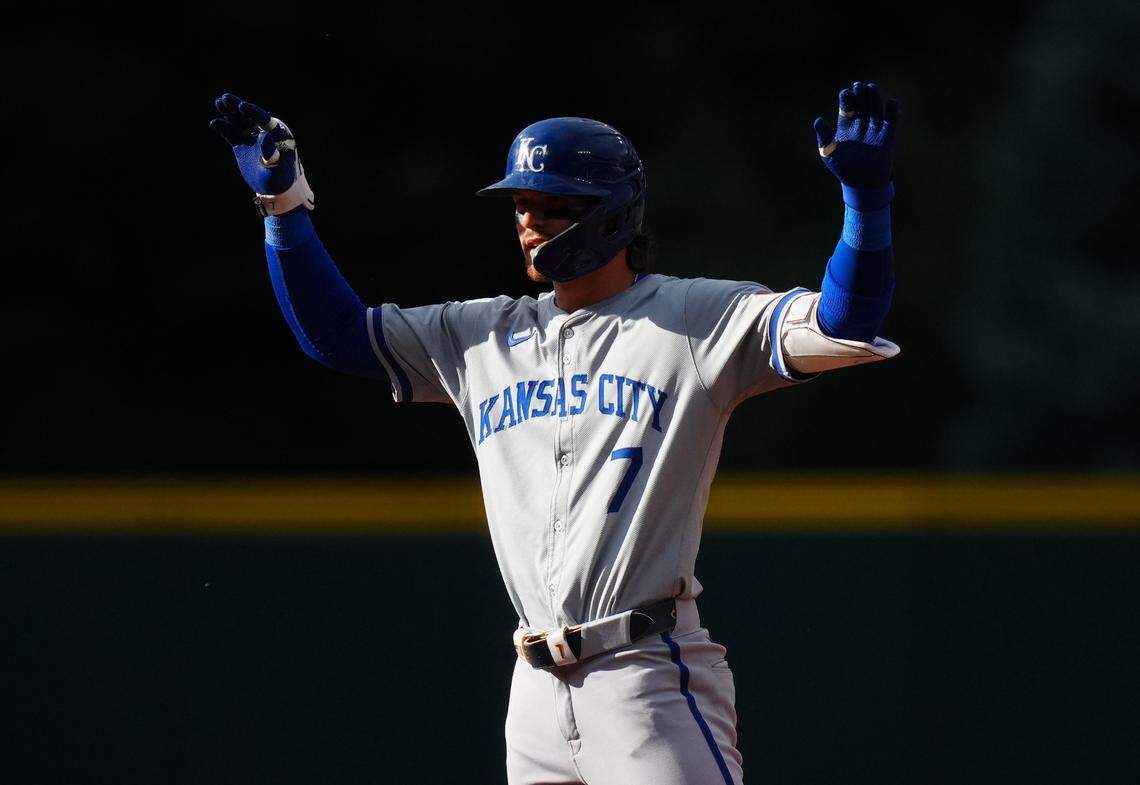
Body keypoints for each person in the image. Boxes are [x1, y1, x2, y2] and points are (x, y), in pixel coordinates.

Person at [210, 83, 900, 785]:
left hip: (646, 677)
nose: (531, 221)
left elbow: (846, 322)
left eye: (553, 203)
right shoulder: (478, 335)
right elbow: (337, 335)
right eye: (522, 203)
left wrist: (865, 204)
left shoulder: (696, 318)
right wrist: (284, 209)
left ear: (612, 216)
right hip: (534, 693)